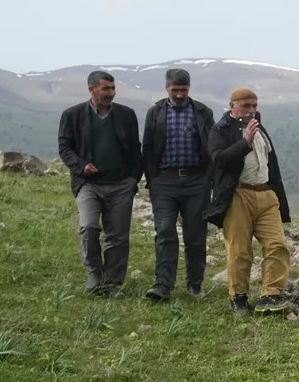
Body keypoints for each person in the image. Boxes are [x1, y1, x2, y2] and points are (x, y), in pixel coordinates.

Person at [204, 87, 293, 316]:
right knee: (240, 250)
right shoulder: (220, 130)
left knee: (277, 245)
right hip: (238, 195)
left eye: (255, 105)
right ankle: (239, 298)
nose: (252, 110)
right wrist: (245, 142)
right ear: (232, 105)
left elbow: (270, 164)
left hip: (265, 193)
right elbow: (219, 160)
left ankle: (271, 294)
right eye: (246, 105)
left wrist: (276, 193)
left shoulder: (259, 127)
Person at [57, 70, 144, 297]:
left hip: (121, 184)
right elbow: (65, 148)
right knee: (88, 227)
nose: (111, 93)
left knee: (118, 236)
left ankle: (111, 284)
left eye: (113, 88)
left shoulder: (126, 115)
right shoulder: (72, 115)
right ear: (91, 89)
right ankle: (94, 273)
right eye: (106, 89)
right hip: (88, 184)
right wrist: (81, 165)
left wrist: (132, 179)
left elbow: (136, 148)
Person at [141, 68, 214, 302]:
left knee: (195, 235)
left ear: (189, 88)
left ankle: (195, 284)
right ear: (166, 88)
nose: (180, 94)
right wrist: (152, 179)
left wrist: (208, 179)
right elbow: (148, 147)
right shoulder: (155, 113)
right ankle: (163, 285)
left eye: (184, 90)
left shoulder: (203, 112)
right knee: (164, 232)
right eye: (176, 90)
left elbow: (211, 147)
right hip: (164, 182)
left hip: (196, 182)